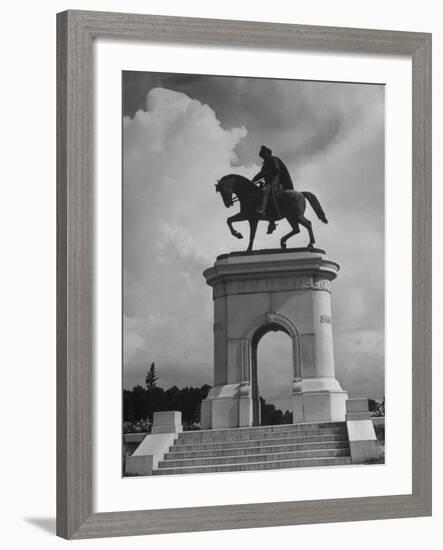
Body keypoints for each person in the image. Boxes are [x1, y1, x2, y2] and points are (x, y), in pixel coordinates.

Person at [252, 145, 294, 233]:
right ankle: (271, 220)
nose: (263, 156)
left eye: (263, 154)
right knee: (257, 193)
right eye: (262, 155)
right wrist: (252, 181)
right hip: (268, 183)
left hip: (275, 183)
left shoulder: (273, 159)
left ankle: (262, 210)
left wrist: (265, 174)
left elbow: (276, 170)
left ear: (267, 153)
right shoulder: (265, 164)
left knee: (264, 191)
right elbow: (260, 174)